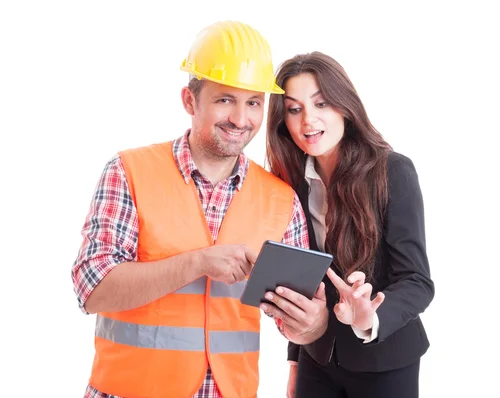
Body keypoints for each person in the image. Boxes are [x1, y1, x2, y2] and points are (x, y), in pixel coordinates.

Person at [71, 21, 326, 398]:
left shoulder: (280, 199)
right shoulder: (129, 172)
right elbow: (91, 290)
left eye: (253, 102)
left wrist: (314, 321)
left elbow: (297, 324)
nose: (241, 120)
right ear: (190, 101)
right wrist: (198, 263)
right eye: (225, 99)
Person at [261, 51, 435, 398]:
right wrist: (295, 361)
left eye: (321, 103)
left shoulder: (392, 172)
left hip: (385, 360)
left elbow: (417, 281)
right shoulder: (290, 183)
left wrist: (369, 318)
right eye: (294, 109)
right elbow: (302, 281)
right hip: (318, 357)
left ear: (344, 106)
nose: (308, 120)